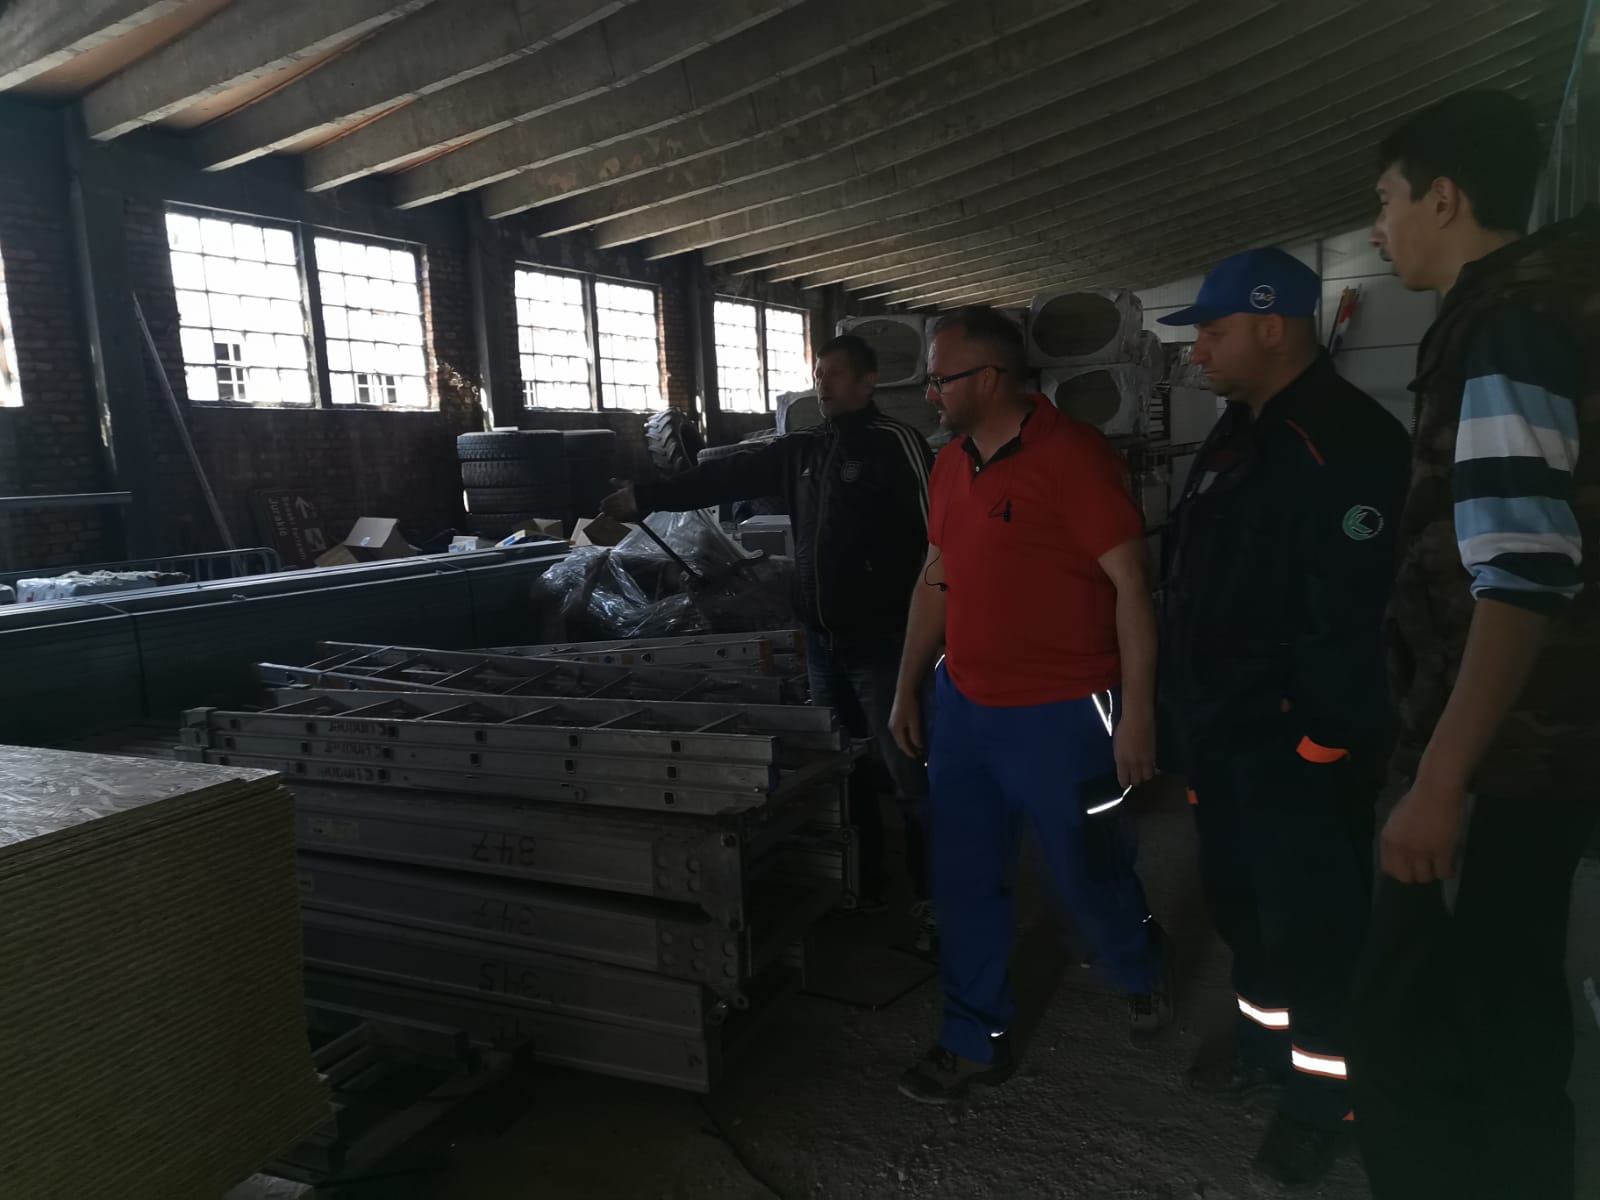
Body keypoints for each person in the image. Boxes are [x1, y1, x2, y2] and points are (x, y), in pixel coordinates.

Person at [1352, 89, 1600, 1200]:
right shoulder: (1547, 306)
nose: (1379, 229)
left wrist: (1440, 781)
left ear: (1443, 198)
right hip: (1541, 746)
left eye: (1387, 201)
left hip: (1499, 760)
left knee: (1425, 1041)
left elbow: (1524, 574)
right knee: (1502, 1021)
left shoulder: (1507, 327)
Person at [1156, 248, 1410, 1191]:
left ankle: (1325, 1102)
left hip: (1297, 745)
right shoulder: (1238, 433)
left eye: (1213, 333)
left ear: (1273, 325)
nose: (1199, 353)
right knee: (1243, 910)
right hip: (1223, 736)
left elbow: (1356, 613)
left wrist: (1323, 739)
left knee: (1317, 926)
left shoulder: (1350, 441)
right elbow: (1195, 584)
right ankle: (1266, 1050)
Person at [889, 306, 1172, 1106]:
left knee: (1087, 870)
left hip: (1064, 713)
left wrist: (1139, 713)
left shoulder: (1072, 457)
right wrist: (908, 684)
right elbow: (937, 577)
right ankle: (972, 1039)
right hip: (967, 711)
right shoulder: (950, 466)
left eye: (941, 379)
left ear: (989, 379)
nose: (930, 393)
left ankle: (1141, 966)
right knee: (965, 877)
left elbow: (1131, 587)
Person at [602, 335, 936, 928]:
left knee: (909, 771)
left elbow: (940, 542)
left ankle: (936, 893)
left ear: (868, 383)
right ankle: (865, 883)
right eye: (819, 373)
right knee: (844, 768)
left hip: (884, 644)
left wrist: (933, 635)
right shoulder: (802, 449)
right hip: (823, 646)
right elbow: (725, 476)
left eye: (836, 374)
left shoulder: (897, 444)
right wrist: (646, 497)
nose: (823, 383)